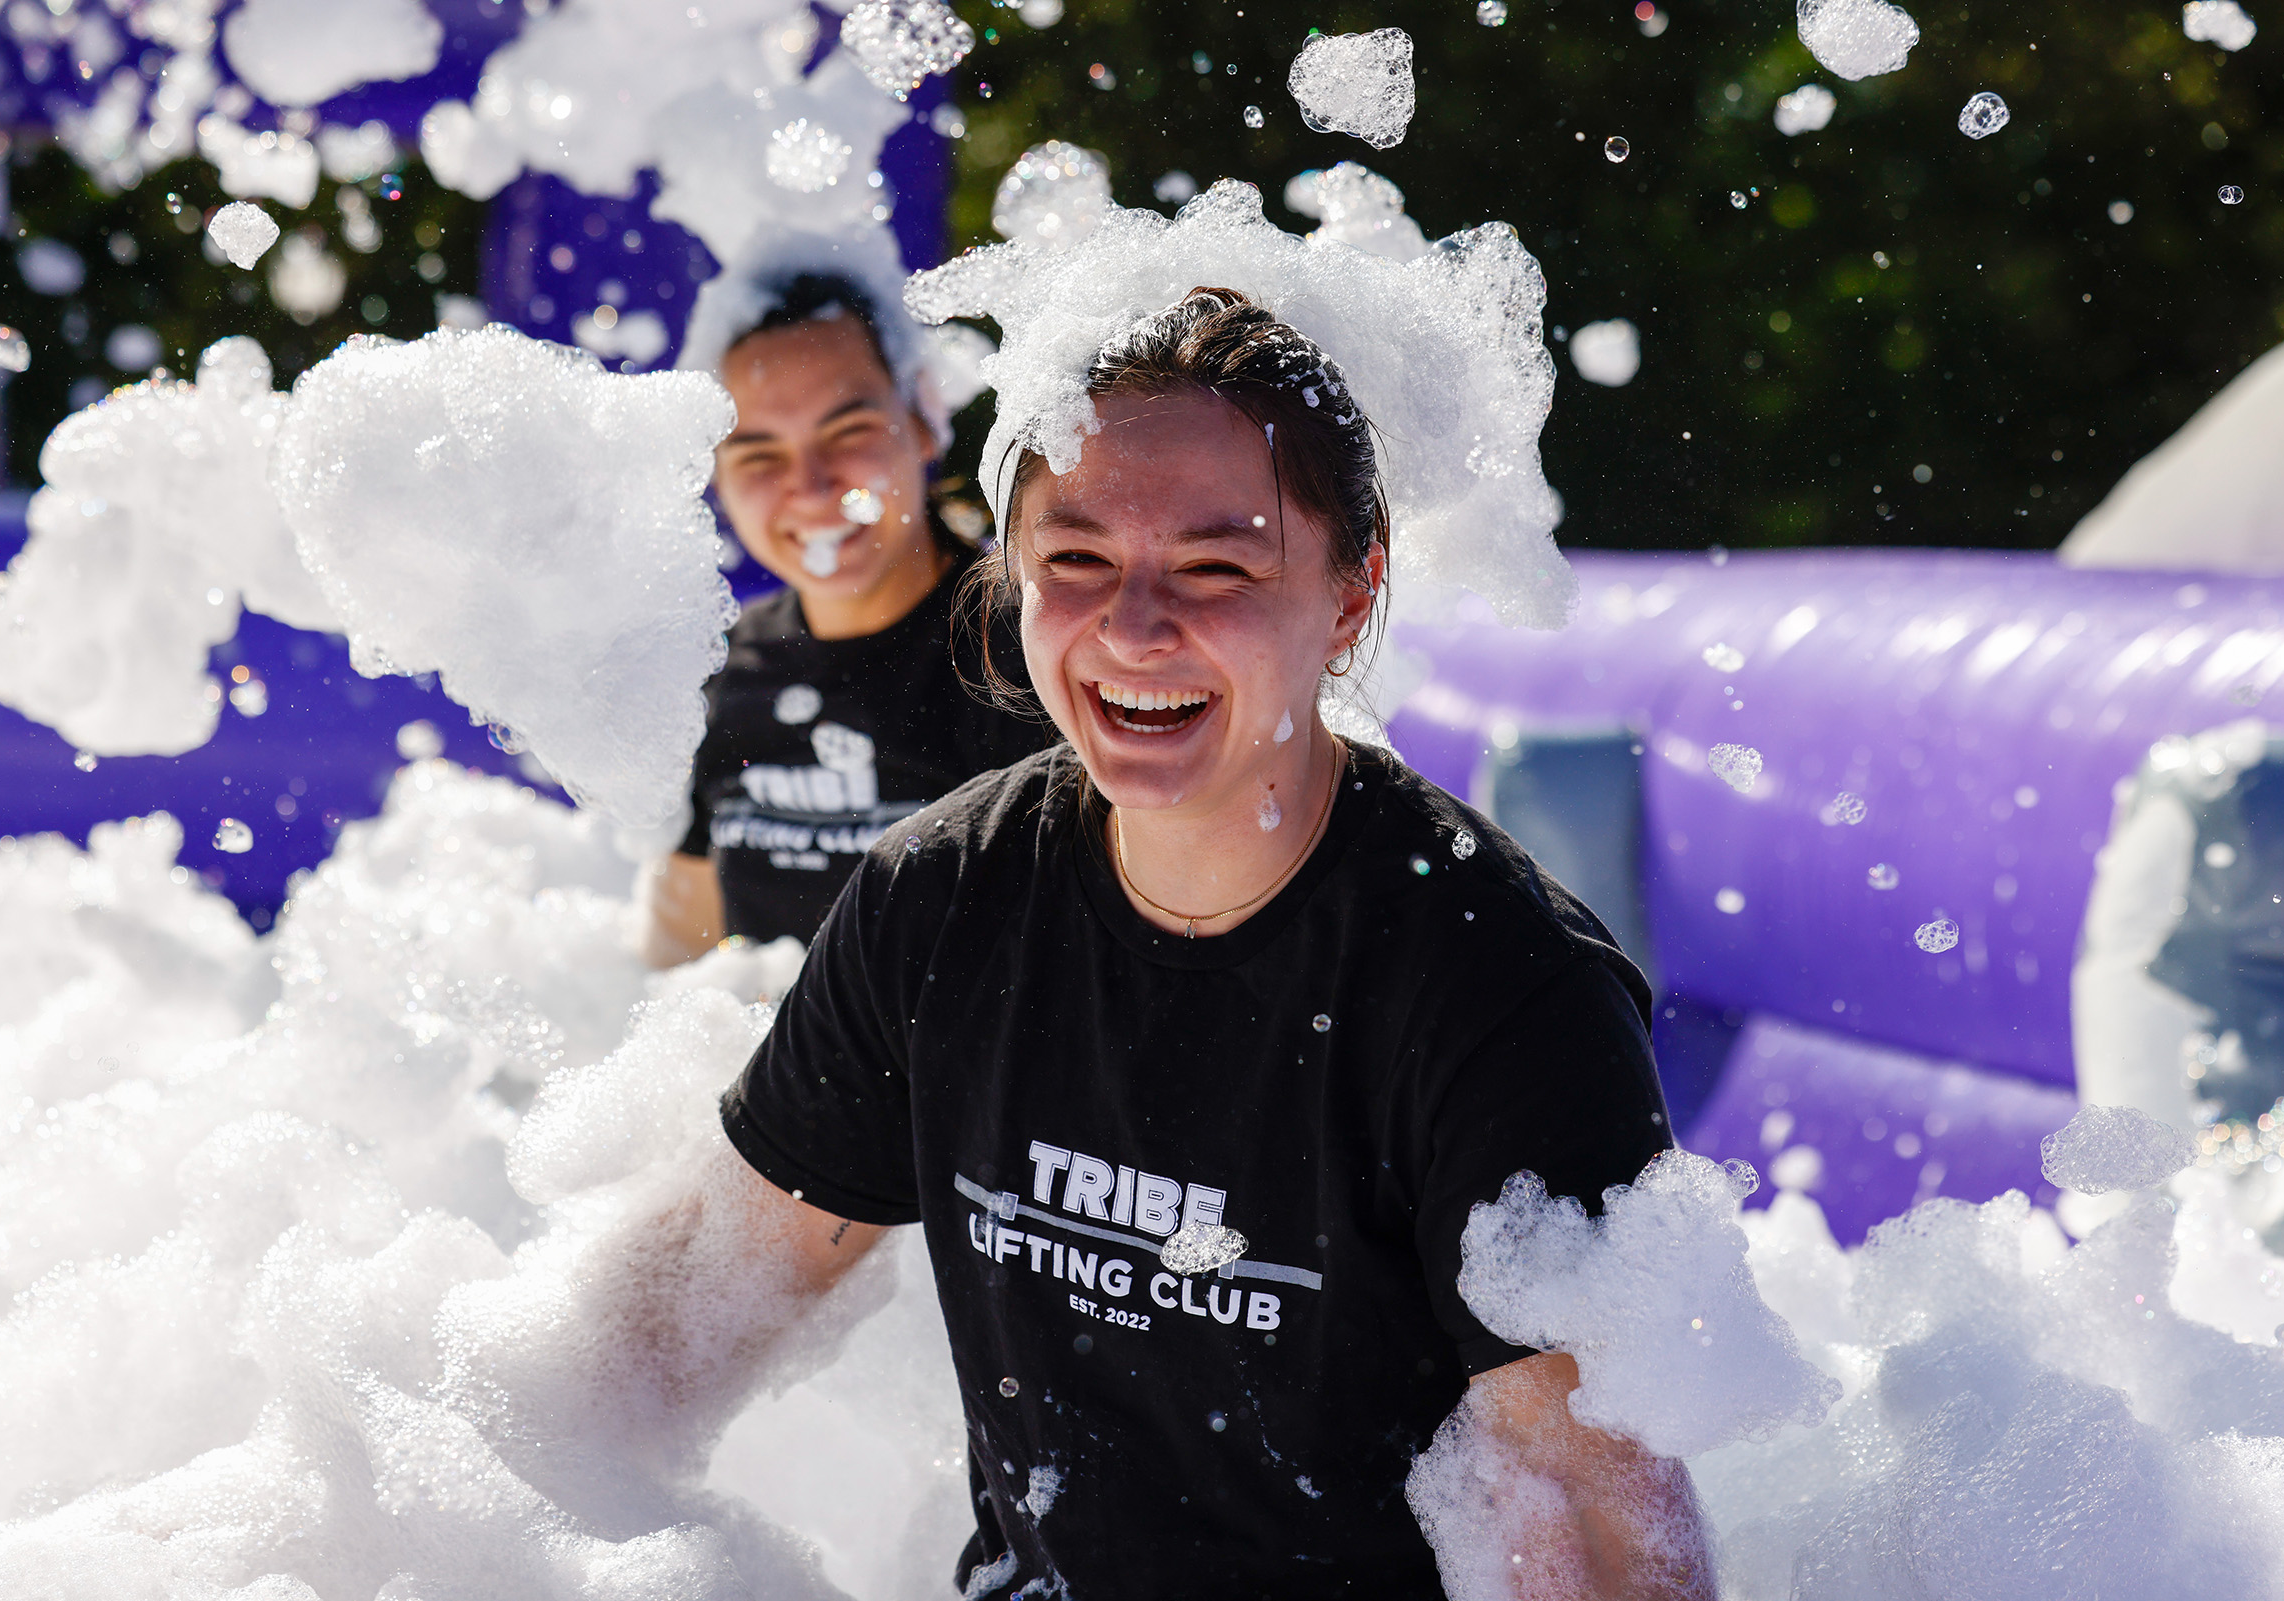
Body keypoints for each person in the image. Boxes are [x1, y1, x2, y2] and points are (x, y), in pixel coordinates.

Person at [647, 288, 1712, 1597]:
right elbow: (671, 1330)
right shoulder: (937, 902)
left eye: (1217, 566)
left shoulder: (1498, 991)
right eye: (1077, 559)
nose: (1134, 629)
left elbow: (1605, 1549)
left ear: (1350, 591)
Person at [641, 239, 1045, 964]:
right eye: (759, 453)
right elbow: (674, 965)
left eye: (849, 430)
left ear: (923, 419)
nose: (812, 485)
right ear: (718, 480)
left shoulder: (1037, 650)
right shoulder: (721, 675)